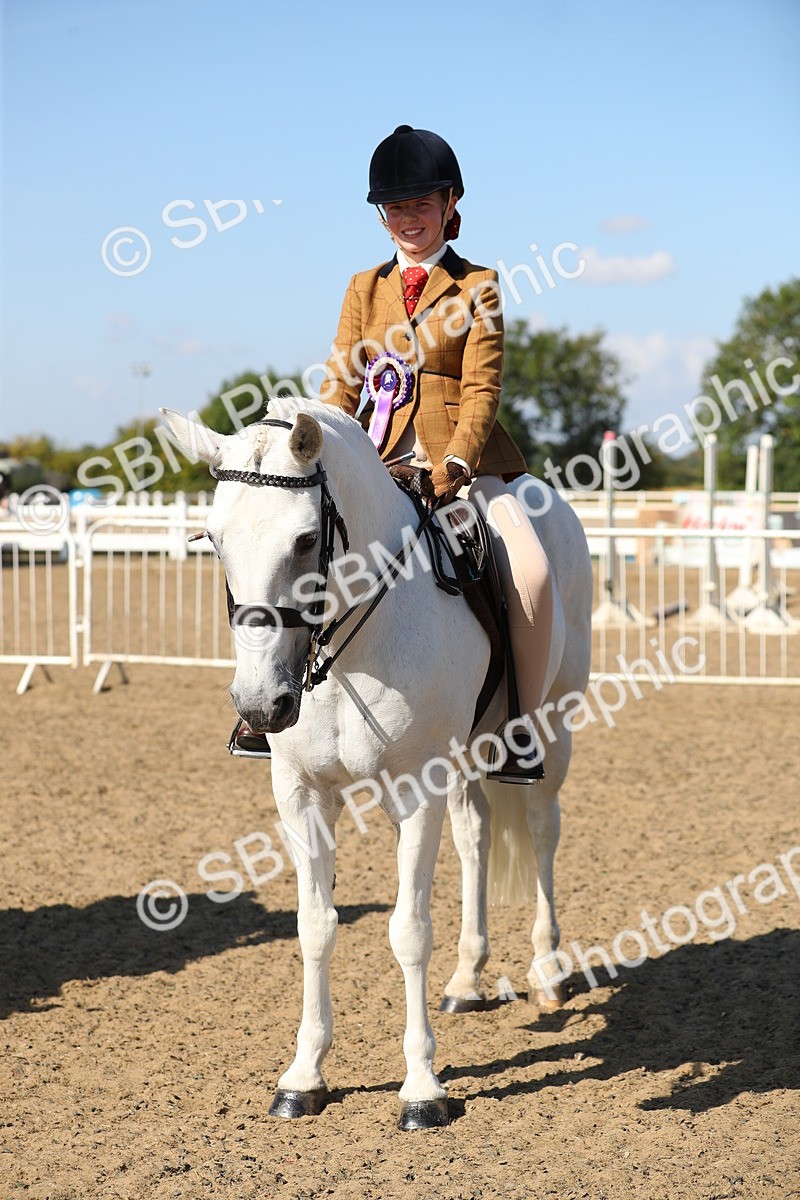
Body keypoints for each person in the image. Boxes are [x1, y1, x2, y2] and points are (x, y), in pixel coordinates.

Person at [234, 125, 553, 782]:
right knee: (286, 551)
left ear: (450, 205)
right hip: (374, 462)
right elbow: (341, 382)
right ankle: (266, 703)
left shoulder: (478, 286)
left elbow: (483, 385)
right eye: (397, 209)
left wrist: (458, 462)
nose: (409, 219)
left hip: (460, 467)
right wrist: (315, 447)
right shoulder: (363, 287)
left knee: (531, 571)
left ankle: (520, 723)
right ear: (383, 218)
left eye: (421, 206)